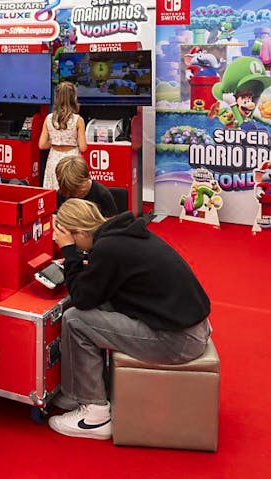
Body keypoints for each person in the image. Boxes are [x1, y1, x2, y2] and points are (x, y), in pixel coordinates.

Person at [48, 199, 211, 440]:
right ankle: (80, 392)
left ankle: (95, 416)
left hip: (178, 340)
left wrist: (70, 253)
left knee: (75, 320)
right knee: (98, 306)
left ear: (80, 233)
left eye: (67, 238)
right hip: (192, 326)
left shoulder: (108, 249)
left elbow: (82, 299)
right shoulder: (121, 234)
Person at [39, 81, 87, 190]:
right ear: (73, 98)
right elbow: (83, 147)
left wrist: (54, 142)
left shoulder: (48, 118)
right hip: (72, 160)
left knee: (53, 193)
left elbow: (42, 145)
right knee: (71, 190)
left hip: (53, 159)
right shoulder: (78, 120)